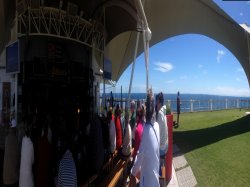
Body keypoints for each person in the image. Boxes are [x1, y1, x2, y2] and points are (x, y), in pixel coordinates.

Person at [130, 88, 160, 187]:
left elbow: (140, 156)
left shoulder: (146, 130)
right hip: (155, 178)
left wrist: (133, 172)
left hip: (148, 181)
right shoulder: (156, 126)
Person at [3, 118, 20, 187]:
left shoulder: (7, 138)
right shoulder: (15, 140)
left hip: (6, 175)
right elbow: (18, 157)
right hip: (13, 177)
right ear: (15, 128)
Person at [156, 92, 168, 180]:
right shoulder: (164, 111)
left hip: (162, 146)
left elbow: (158, 133)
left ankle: (160, 179)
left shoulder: (160, 114)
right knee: (162, 163)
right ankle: (162, 177)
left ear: (159, 102)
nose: (155, 104)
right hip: (165, 144)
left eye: (156, 101)